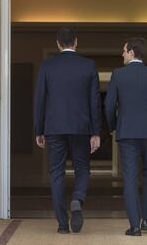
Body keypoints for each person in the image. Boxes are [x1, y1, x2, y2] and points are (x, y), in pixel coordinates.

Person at [104, 37, 147, 236]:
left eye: (124, 51)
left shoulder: (118, 75)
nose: (122, 54)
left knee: (131, 178)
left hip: (127, 134)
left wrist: (113, 126)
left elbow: (109, 106)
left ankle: (134, 226)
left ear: (132, 52)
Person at [34, 27, 101, 234]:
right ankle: (77, 198)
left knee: (57, 173)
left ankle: (62, 224)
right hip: (81, 127)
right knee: (82, 168)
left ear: (58, 43)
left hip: (54, 127)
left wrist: (39, 130)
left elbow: (40, 100)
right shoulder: (89, 66)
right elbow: (95, 102)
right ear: (76, 42)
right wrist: (96, 132)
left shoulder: (47, 66)